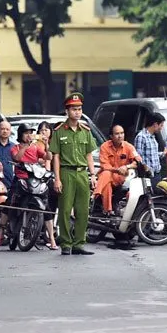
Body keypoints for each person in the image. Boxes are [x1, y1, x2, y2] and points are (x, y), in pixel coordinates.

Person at [49, 93, 98, 256]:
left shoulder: (86, 131)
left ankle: (79, 243)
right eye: (74, 109)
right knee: (64, 210)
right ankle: (66, 243)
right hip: (66, 172)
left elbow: (89, 155)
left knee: (83, 210)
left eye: (79, 109)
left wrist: (93, 175)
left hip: (82, 173)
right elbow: (55, 157)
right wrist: (57, 178)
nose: (77, 112)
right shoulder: (59, 131)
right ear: (67, 111)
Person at [12, 124, 55, 249]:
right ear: (20, 135)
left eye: (31, 133)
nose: (29, 135)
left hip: (35, 179)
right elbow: (17, 158)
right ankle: (1, 232)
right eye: (26, 133)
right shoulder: (16, 147)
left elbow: (48, 157)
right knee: (11, 202)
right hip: (21, 178)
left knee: (46, 206)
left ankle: (51, 238)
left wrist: (46, 144)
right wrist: (25, 146)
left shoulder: (36, 147)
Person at [94, 125, 141, 216]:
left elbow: (137, 161)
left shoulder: (128, 147)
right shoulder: (105, 146)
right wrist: (117, 170)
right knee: (106, 176)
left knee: (106, 174)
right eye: (117, 134)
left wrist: (126, 167)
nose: (120, 136)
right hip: (108, 176)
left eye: (122, 133)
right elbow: (105, 165)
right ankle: (108, 210)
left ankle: (96, 194)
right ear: (111, 136)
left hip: (121, 178)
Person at [134, 112, 166, 184]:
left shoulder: (153, 137)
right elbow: (138, 157)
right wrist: (146, 169)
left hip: (157, 173)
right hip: (148, 175)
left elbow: (152, 154)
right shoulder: (141, 137)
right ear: (155, 125)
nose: (161, 128)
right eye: (161, 125)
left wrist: (163, 153)